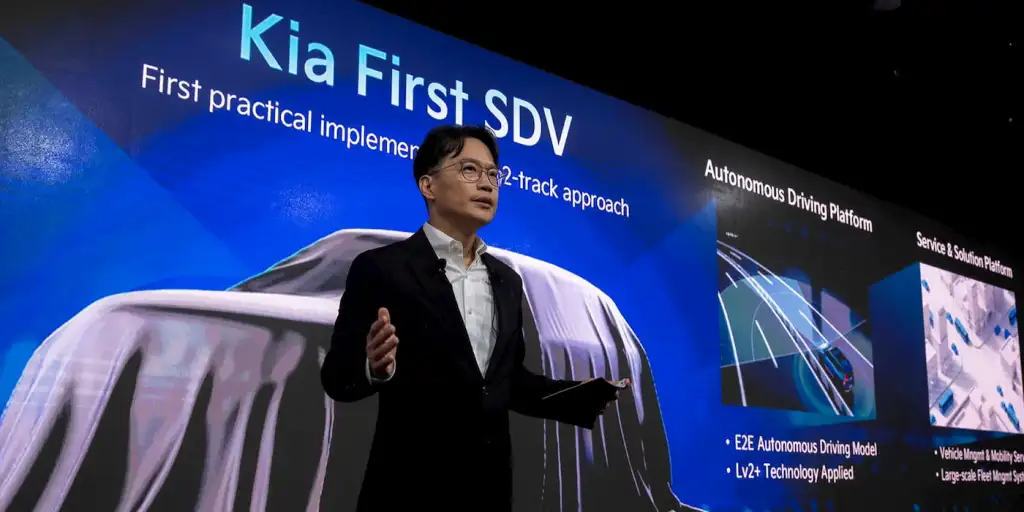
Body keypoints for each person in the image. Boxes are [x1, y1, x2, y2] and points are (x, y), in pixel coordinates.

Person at [321, 124, 628, 511]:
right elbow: (336, 377)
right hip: (408, 488)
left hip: (489, 491)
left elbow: (506, 382)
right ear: (428, 185)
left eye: (493, 174)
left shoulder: (507, 282)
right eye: (469, 169)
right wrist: (373, 367)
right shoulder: (382, 268)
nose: (486, 184)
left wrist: (574, 395)